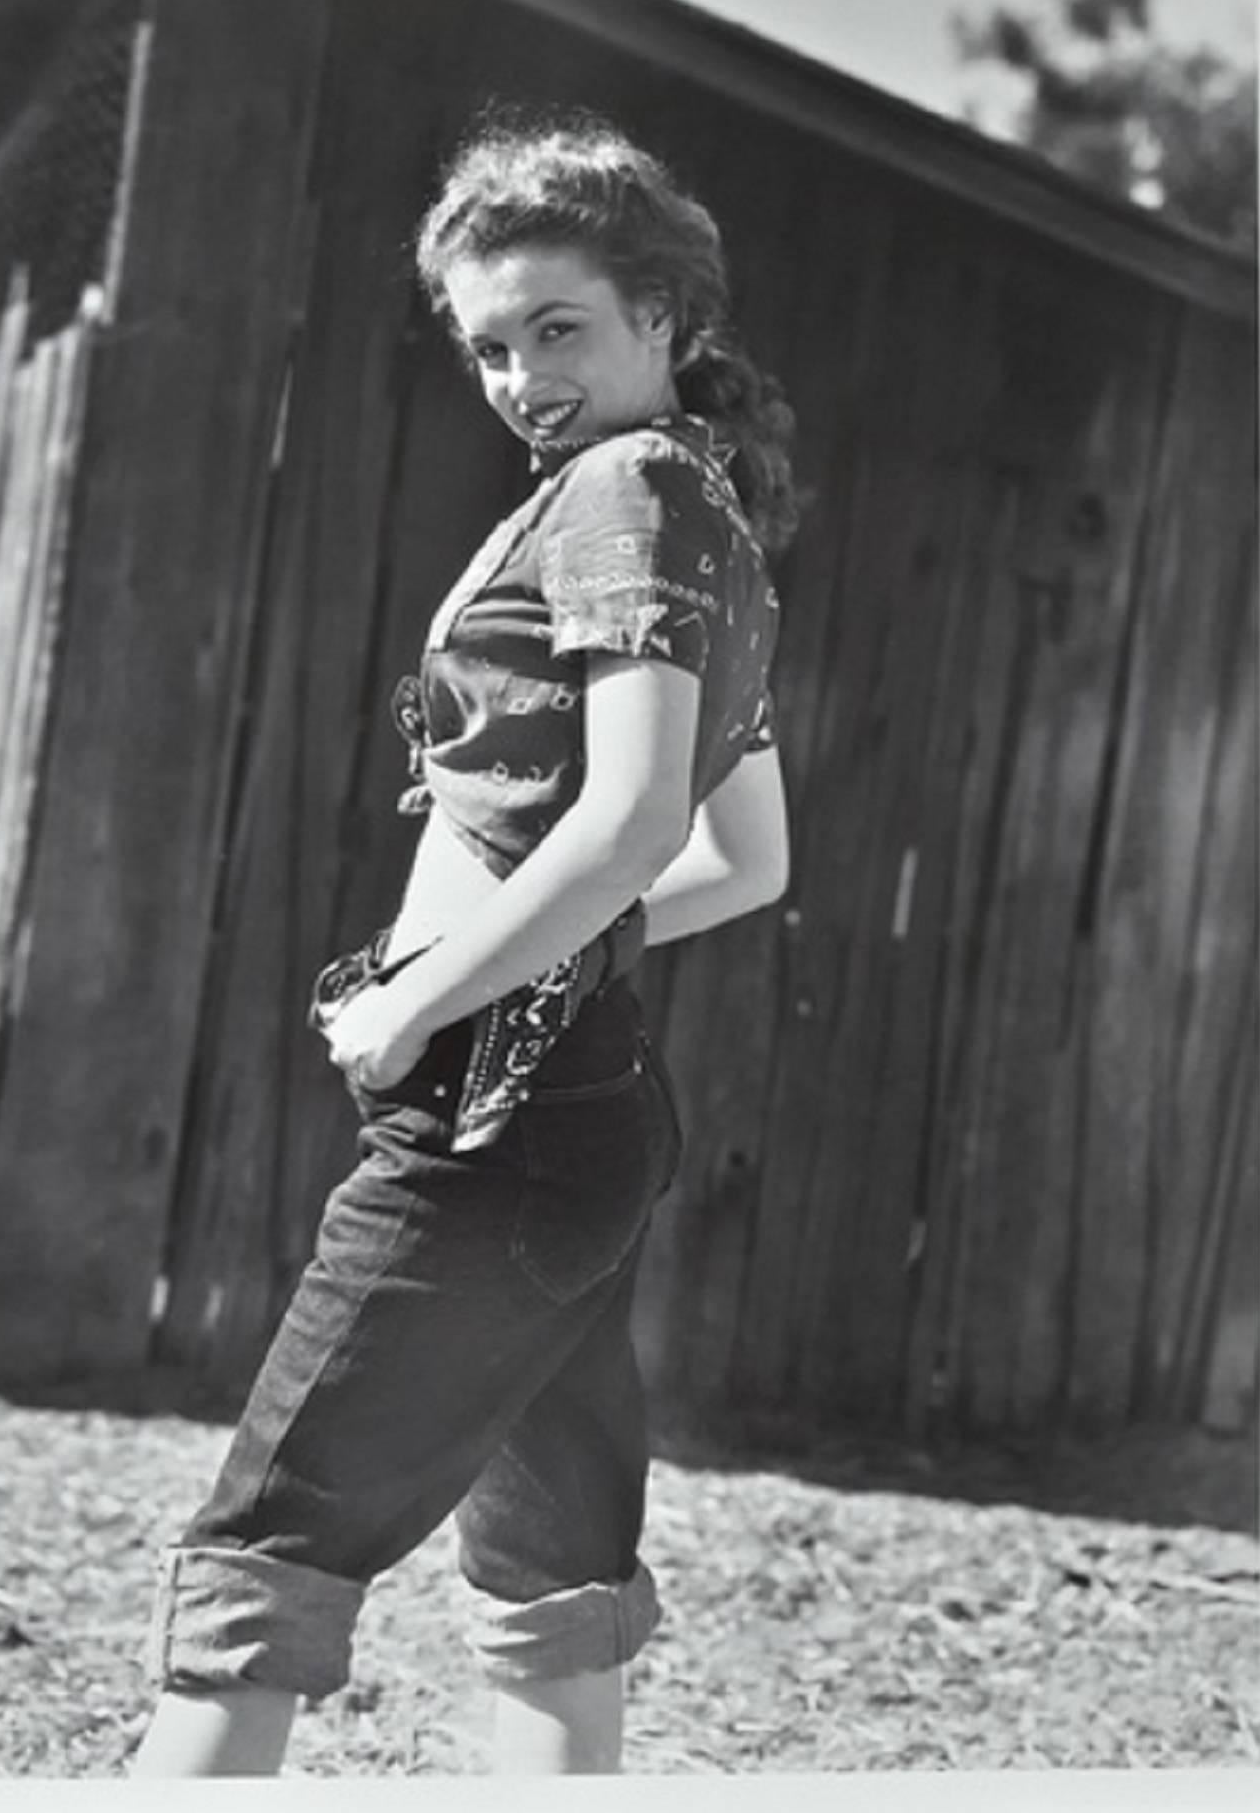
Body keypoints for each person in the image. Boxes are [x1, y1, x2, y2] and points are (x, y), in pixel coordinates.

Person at [131, 109, 796, 1777]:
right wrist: (550, 961)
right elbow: (747, 859)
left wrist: (421, 995)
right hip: (580, 1112)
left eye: (558, 328)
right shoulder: (701, 512)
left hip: (492, 1123)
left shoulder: (624, 493)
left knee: (264, 1551)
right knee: (552, 1576)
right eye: (489, 344)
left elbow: (643, 819)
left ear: (668, 321)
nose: (519, 375)